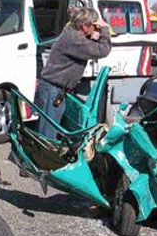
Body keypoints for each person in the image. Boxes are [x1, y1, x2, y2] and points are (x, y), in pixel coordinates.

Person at [37, 8, 112, 140]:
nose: (96, 29)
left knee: (52, 128)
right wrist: (105, 30)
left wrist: (94, 36)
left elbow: (87, 45)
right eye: (94, 26)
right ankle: (42, 152)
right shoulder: (74, 40)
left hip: (55, 88)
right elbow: (103, 50)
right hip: (53, 89)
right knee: (48, 133)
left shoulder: (72, 33)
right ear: (84, 26)